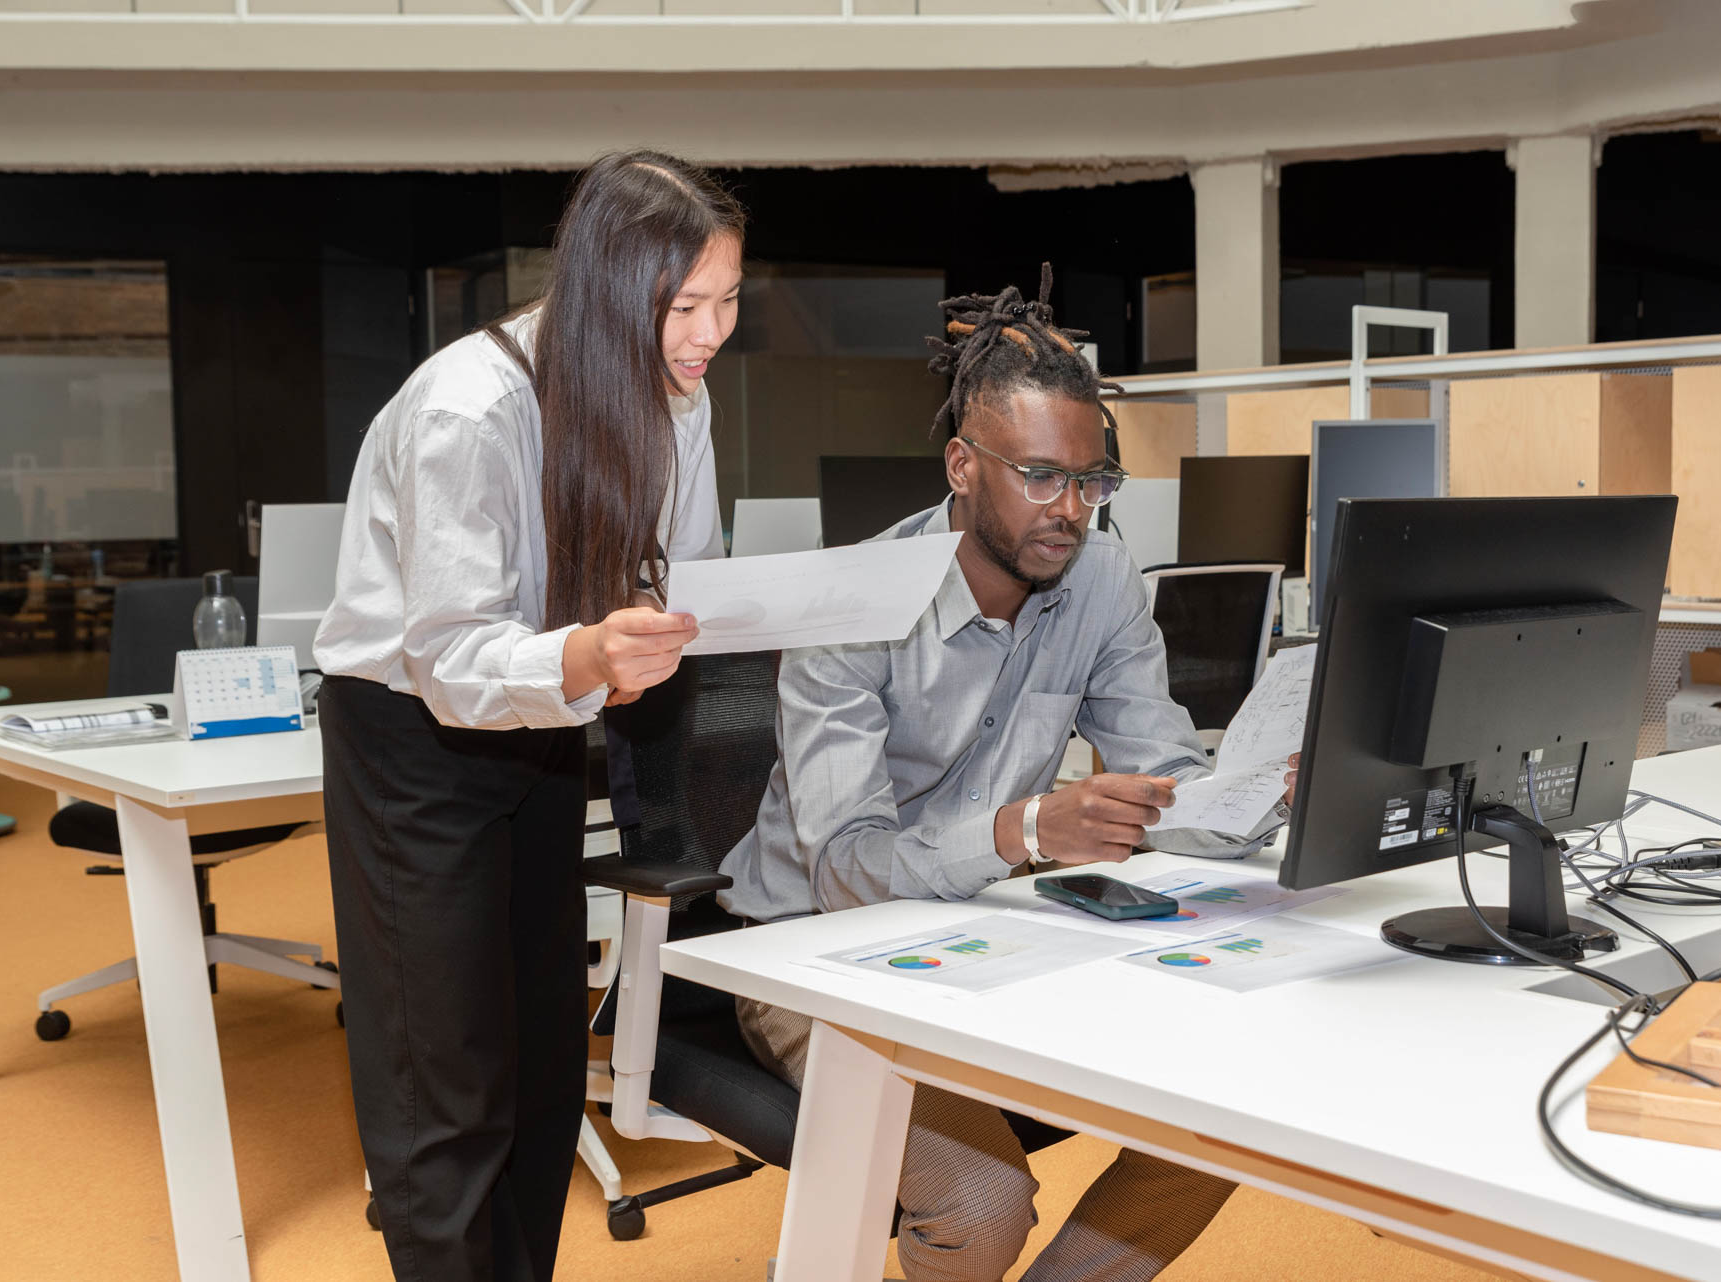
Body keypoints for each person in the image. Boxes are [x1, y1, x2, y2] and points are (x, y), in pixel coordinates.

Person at [718, 267, 1296, 1282]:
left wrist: (1250, 791)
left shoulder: (1101, 576)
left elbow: (1159, 763)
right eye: (1039, 476)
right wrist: (1026, 830)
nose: (1069, 510)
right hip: (811, 951)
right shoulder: (852, 608)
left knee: (1238, 1111)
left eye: (1091, 481)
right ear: (960, 464)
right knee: (983, 1202)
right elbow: (846, 870)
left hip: (995, 925)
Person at [314, 151, 743, 1282]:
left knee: (546, 1065)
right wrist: (593, 651)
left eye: (727, 301)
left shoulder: (675, 396)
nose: (709, 334)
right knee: (444, 1080)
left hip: (551, 713)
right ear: (607, 290)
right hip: (414, 736)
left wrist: (659, 629)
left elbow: (681, 563)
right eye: (685, 307)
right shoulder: (470, 406)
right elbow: (450, 653)